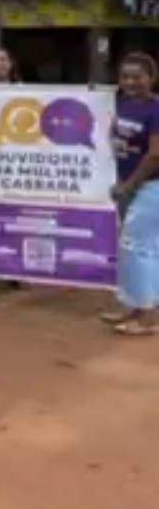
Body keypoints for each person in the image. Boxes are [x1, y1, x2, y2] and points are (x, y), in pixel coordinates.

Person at [103, 53, 159, 337]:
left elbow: (155, 155)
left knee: (137, 247)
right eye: (125, 77)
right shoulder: (123, 104)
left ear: (152, 78)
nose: (131, 82)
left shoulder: (156, 109)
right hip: (130, 185)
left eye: (138, 77)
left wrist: (129, 185)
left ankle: (148, 317)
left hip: (151, 187)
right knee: (141, 247)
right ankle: (137, 306)